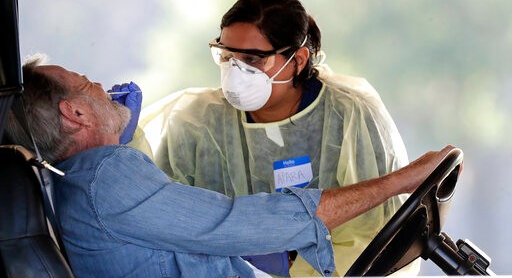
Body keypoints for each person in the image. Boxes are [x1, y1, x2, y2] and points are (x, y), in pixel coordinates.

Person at [5, 56, 454, 278]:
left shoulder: (81, 184)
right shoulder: (105, 176)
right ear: (75, 115)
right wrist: (403, 179)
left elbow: (200, 230)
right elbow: (238, 222)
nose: (103, 87)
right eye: (88, 86)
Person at [139, 0, 412, 276]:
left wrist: (300, 266)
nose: (234, 71)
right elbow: (163, 215)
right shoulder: (197, 122)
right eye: (226, 56)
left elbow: (375, 230)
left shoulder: (349, 116)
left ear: (299, 60)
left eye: (253, 59)